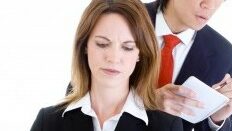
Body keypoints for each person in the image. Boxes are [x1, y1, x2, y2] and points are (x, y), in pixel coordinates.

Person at [30, 0, 183, 131]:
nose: (114, 58)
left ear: (140, 53)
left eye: (127, 47)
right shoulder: (48, 122)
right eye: (102, 44)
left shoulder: (166, 126)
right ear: (84, 46)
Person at [144, 0, 232, 131]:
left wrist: (216, 119)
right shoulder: (120, 18)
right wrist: (146, 102)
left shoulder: (225, 56)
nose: (210, 5)